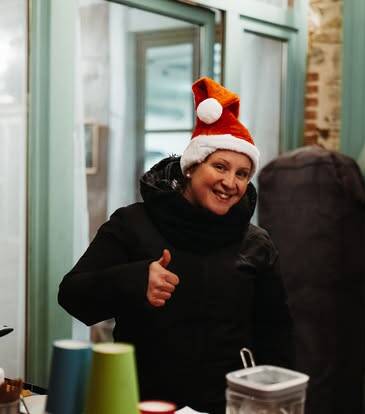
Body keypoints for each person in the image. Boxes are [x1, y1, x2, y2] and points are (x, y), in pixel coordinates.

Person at [58, 77, 294, 414]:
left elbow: (277, 337)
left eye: (242, 174)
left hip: (226, 405)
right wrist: (136, 280)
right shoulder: (133, 224)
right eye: (220, 166)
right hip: (141, 402)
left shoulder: (256, 243)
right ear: (192, 167)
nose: (230, 182)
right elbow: (72, 295)